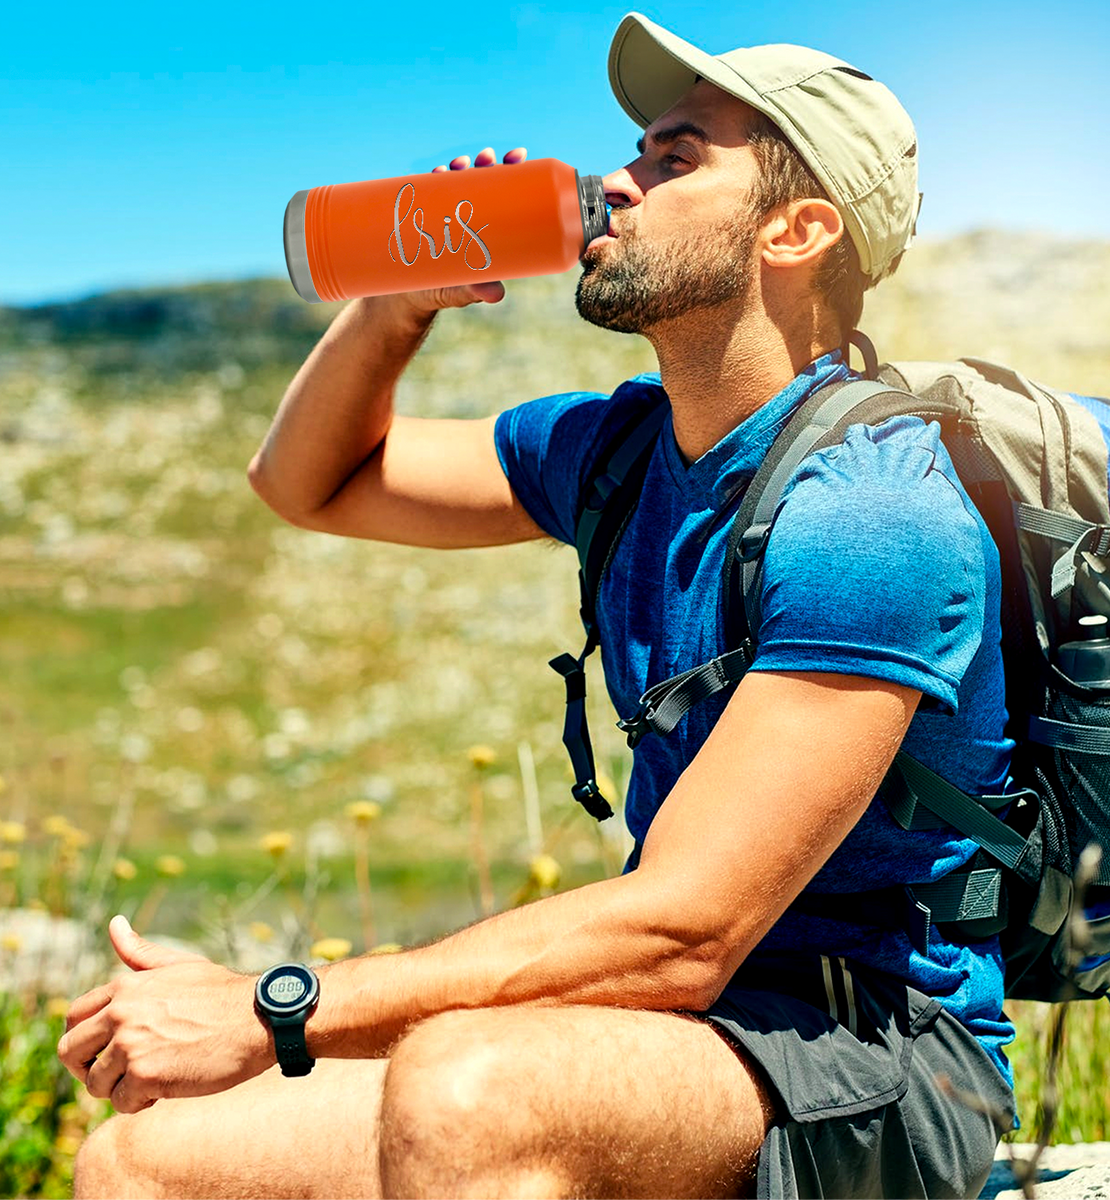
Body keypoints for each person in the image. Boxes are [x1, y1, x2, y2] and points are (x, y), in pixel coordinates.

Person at [60, 12, 1018, 1199]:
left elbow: (683, 931)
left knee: (467, 1089)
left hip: (879, 1057)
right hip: (679, 1036)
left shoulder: (872, 512)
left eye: (675, 158)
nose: (617, 181)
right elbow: (310, 483)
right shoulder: (616, 449)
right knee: (146, 1160)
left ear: (797, 230)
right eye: (636, 151)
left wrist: (275, 1009)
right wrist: (396, 302)